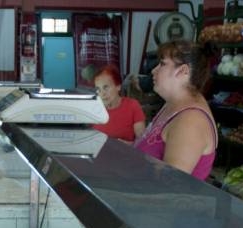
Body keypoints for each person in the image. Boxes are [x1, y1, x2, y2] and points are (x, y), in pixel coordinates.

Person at [134, 40, 218, 180]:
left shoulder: (190, 121)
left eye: (162, 64)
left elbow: (171, 183)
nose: (153, 70)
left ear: (183, 71)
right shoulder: (172, 104)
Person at [92, 65, 145, 143]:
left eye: (106, 87)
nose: (102, 94)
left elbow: (142, 143)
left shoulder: (133, 106)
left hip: (126, 153)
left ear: (118, 86)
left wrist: (129, 145)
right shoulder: (93, 109)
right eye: (98, 89)